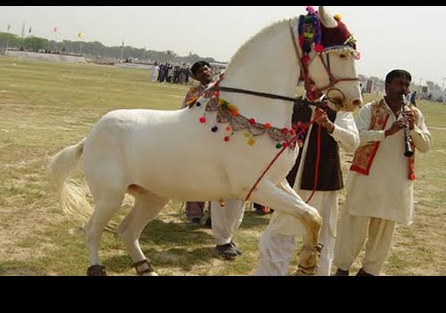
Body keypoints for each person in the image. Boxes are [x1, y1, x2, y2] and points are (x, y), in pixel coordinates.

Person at [333, 69, 432, 276]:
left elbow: (426, 146)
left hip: (395, 184)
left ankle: (369, 271)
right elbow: (356, 137)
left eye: (406, 85)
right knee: (353, 229)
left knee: (383, 233)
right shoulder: (370, 109)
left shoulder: (414, 113)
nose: (403, 89)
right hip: (366, 180)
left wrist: (413, 129)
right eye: (399, 84)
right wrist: (387, 132)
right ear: (387, 86)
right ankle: (342, 268)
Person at [254, 93, 360, 276]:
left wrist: (330, 126)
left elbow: (352, 143)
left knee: (321, 239)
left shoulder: (339, 107)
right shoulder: (293, 102)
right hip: (288, 181)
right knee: (279, 234)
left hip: (323, 183)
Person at [182, 61, 246, 259]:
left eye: (207, 69)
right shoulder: (194, 92)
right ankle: (194, 215)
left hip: (220, 139)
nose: (205, 72)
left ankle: (215, 221)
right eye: (201, 71)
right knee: (198, 179)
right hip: (199, 140)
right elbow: (187, 114)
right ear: (195, 76)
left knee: (218, 184)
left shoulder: (222, 89)